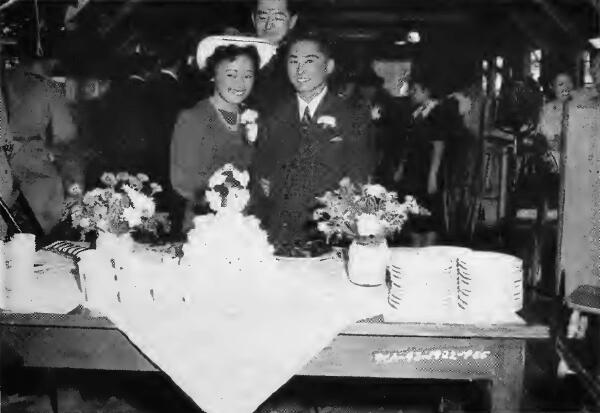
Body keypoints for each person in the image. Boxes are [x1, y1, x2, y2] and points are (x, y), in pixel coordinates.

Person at [252, 31, 376, 246]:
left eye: (310, 61)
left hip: (329, 233)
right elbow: (262, 174)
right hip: (279, 233)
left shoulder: (352, 115)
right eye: (293, 61)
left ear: (328, 67)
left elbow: (359, 176)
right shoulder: (273, 114)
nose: (300, 70)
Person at [170, 38, 264, 233]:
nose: (240, 83)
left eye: (248, 75)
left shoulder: (254, 118)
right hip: (204, 224)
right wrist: (223, 196)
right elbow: (182, 181)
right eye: (231, 74)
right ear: (213, 75)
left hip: (248, 224)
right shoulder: (193, 118)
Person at [4, 56, 80, 236]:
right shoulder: (48, 87)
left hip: (3, 158)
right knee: (51, 202)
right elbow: (65, 134)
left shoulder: (5, 78)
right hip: (29, 156)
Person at [556, 54, 600, 297]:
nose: (595, 71)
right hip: (582, 185)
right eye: (593, 66)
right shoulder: (579, 101)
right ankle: (579, 306)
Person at [394, 72, 447, 247]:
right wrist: (401, 168)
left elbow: (439, 145)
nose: (412, 93)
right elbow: (407, 144)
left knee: (429, 210)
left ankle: (428, 250)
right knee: (413, 208)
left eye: (415, 90)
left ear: (426, 91)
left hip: (428, 168)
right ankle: (416, 247)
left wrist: (433, 174)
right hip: (413, 168)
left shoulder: (437, 111)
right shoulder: (416, 112)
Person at [250, 0, 299, 111]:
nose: (268, 25)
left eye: (277, 18)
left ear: (292, 21)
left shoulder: (301, 61)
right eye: (262, 17)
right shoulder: (238, 56)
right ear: (253, 19)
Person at [537, 71, 574, 176]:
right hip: (549, 165)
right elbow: (541, 135)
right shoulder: (547, 109)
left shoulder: (579, 109)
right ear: (554, 88)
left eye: (568, 83)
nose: (564, 88)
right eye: (560, 84)